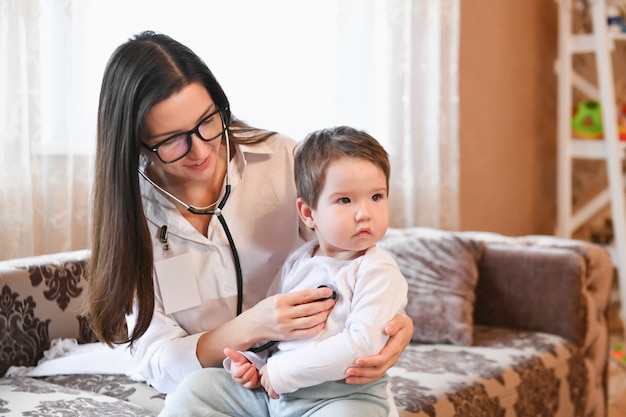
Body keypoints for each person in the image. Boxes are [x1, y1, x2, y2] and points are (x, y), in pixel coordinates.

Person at [86, 30, 413, 405]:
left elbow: (353, 258)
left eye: (208, 121)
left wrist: (396, 324)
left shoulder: (283, 161)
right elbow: (158, 359)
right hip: (231, 379)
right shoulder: (131, 217)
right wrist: (251, 329)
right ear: (136, 145)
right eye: (172, 140)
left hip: (311, 375)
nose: (200, 149)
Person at [222, 126, 409, 416]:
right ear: (308, 214)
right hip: (278, 394)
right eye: (345, 200)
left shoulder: (378, 271)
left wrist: (281, 372)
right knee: (199, 386)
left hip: (342, 395)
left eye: (376, 196)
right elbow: (271, 328)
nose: (365, 213)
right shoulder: (298, 260)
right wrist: (252, 364)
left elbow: (362, 345)